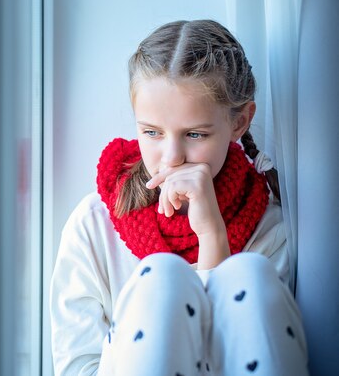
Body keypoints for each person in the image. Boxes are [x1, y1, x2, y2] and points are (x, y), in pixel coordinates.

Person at [50, 20, 309, 375]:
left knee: (245, 274)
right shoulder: (93, 224)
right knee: (162, 277)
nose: (171, 156)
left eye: (195, 134)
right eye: (152, 132)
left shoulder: (269, 227)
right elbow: (76, 365)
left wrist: (213, 238)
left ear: (240, 122)